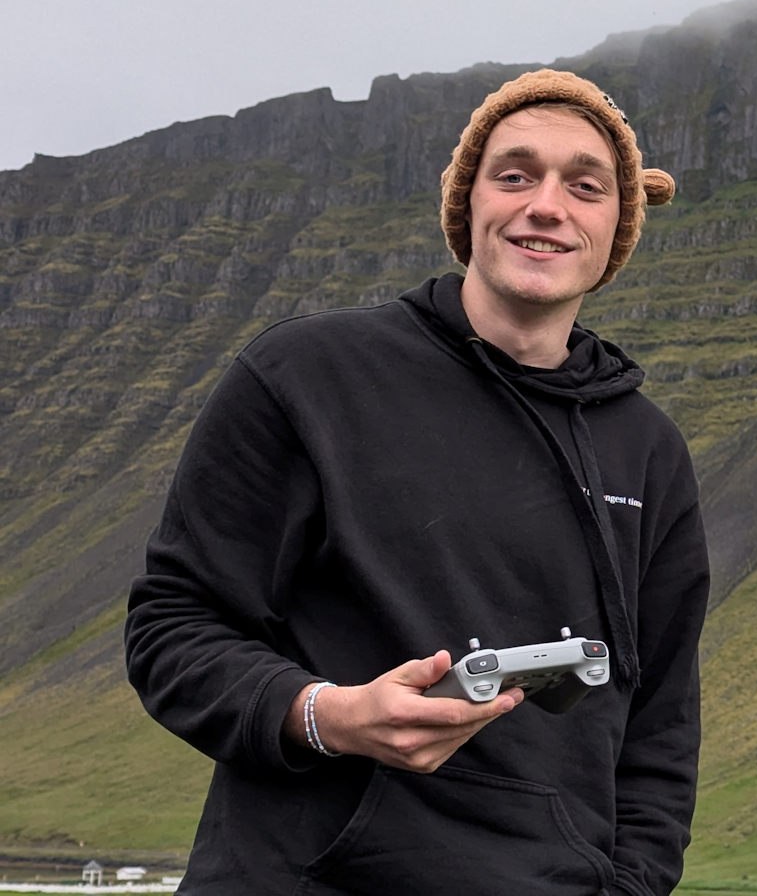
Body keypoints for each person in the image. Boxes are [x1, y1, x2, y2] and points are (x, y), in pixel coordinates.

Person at [124, 69, 709, 895]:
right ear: (468, 205)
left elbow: (662, 723)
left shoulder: (648, 449)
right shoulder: (308, 374)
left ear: (616, 229)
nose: (547, 205)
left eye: (585, 186)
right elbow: (171, 627)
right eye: (515, 175)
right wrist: (327, 717)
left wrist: (631, 885)